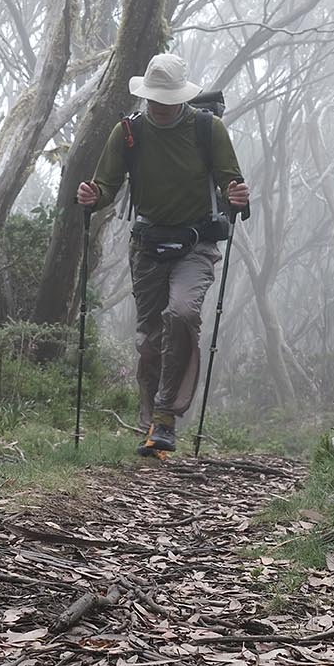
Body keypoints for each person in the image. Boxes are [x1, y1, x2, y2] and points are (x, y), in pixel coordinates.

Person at [76, 52, 250, 457]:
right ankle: (150, 423)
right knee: (151, 339)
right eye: (155, 98)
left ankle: (166, 419)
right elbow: (105, 187)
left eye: (168, 98)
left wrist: (236, 195)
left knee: (183, 312)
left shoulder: (209, 129)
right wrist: (91, 196)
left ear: (182, 97)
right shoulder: (129, 134)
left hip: (196, 243)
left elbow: (230, 184)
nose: (161, 105)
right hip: (148, 245)